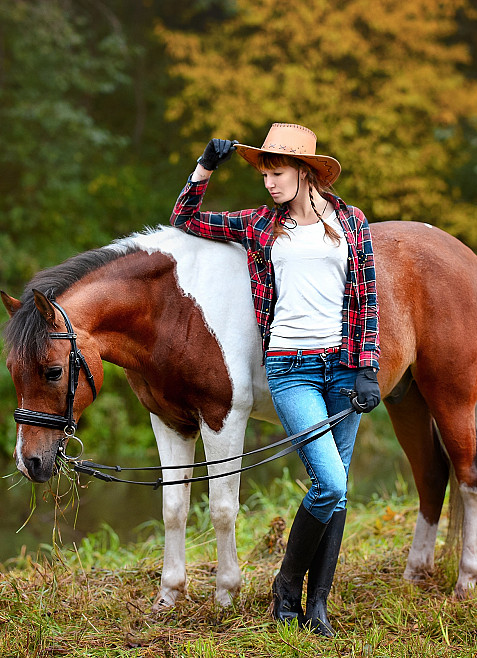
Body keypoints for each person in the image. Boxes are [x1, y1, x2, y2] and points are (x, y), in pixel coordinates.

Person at [169, 122, 381, 637]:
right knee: (329, 482)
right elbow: (184, 219)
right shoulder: (260, 223)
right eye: (265, 172)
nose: (269, 182)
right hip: (290, 367)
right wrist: (204, 168)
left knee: (339, 491)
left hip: (341, 369)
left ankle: (316, 608)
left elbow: (367, 299)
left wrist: (367, 367)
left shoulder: (351, 222)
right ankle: (286, 587)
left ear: (306, 173)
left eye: (278, 171)